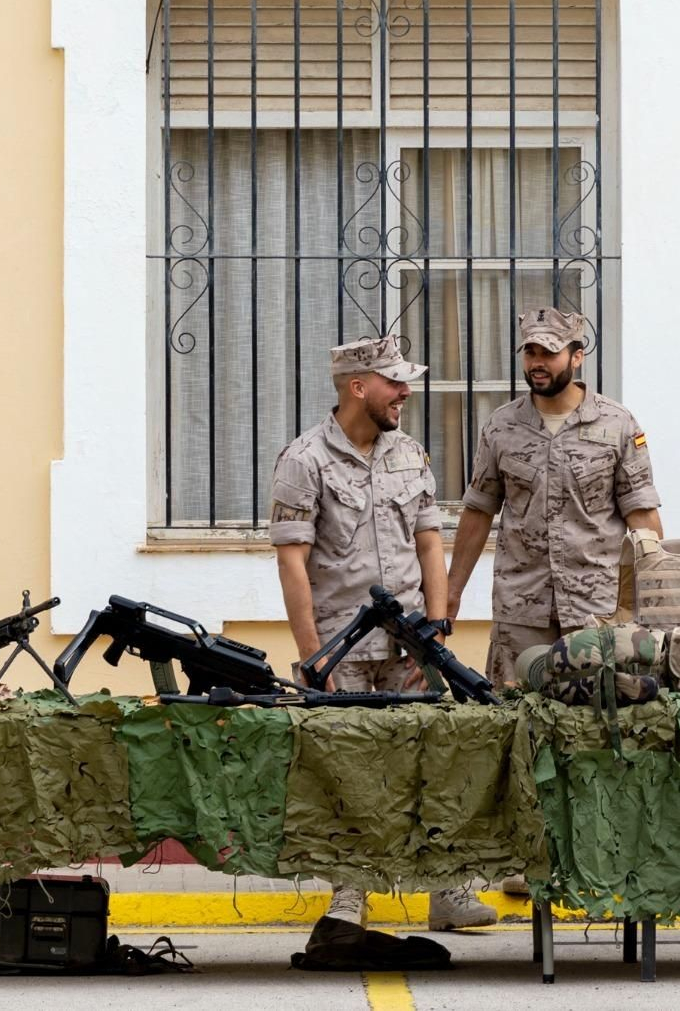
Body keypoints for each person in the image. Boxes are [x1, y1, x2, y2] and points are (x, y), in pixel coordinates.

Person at [270, 336, 496, 933]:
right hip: (342, 647)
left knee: (434, 761)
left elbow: (429, 544)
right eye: (394, 382)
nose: (405, 392)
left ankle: (445, 890)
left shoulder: (410, 454)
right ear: (357, 386)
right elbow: (293, 564)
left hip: (410, 643)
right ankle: (351, 895)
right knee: (351, 771)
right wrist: (310, 654)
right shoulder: (304, 460)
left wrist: (439, 633)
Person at [446, 307, 662, 896]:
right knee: (514, 730)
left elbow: (643, 520)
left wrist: (653, 607)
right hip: (522, 607)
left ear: (577, 354)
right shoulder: (501, 427)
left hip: (594, 611)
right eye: (529, 353)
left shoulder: (618, 427)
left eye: (548, 352)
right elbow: (477, 511)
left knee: (596, 731)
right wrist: (451, 592)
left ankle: (593, 853)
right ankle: (520, 855)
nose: (536, 364)